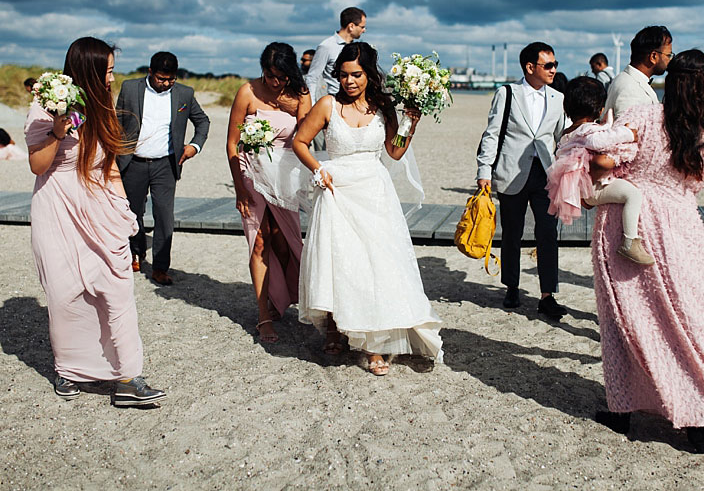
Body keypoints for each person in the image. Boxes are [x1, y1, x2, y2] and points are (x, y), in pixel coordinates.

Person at [590, 49, 704, 452]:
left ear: (669, 81)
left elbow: (603, 162)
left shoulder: (642, 117)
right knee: (696, 324)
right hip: (679, 229)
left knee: (626, 321)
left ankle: (624, 410)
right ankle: (700, 419)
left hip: (627, 225)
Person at [26, 36, 165, 406]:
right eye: (107, 71)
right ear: (88, 70)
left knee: (118, 288)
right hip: (58, 207)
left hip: (100, 205)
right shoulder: (46, 106)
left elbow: (108, 164)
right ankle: (68, 370)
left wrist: (125, 210)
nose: (111, 79)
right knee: (65, 292)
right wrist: (58, 129)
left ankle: (128, 377)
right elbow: (38, 166)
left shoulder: (102, 106)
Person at [292, 41, 443, 376]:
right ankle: (335, 328)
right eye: (344, 75)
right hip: (337, 191)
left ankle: (375, 344)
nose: (349, 81)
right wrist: (318, 169)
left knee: (376, 264)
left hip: (374, 193)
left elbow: (395, 151)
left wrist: (410, 125)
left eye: (356, 74)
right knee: (340, 261)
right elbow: (299, 142)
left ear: (369, 74)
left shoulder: (382, 106)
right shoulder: (327, 105)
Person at [226, 42, 312, 344]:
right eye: (269, 75)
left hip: (284, 176)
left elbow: (305, 137)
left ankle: (287, 297)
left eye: (281, 76)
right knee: (259, 241)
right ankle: (264, 314)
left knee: (286, 241)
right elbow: (232, 143)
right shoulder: (247, 92)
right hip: (251, 174)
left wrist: (295, 110)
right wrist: (239, 187)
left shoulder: (300, 94)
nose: (275, 82)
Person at [475, 42, 568, 316]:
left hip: (546, 174)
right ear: (530, 67)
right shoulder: (507, 93)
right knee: (512, 233)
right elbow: (492, 134)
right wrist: (484, 172)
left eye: (555, 64)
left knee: (548, 233)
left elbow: (563, 136)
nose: (554, 69)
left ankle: (547, 295)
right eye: (548, 65)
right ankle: (512, 287)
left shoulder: (557, 98)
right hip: (511, 173)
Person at [116, 52, 210, 286]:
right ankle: (135, 254)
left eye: (171, 79)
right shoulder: (129, 88)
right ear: (150, 72)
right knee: (132, 214)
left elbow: (203, 121)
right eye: (161, 79)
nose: (166, 83)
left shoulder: (185, 94)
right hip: (133, 162)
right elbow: (116, 123)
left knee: (164, 216)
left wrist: (194, 146)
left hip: (166, 165)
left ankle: (160, 267)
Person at [545, 77, 653, 264]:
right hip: (591, 186)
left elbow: (598, 135)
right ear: (600, 109)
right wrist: (628, 134)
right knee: (633, 195)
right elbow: (597, 141)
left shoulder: (568, 132)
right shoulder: (588, 131)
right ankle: (630, 241)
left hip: (580, 186)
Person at [604, 26, 671, 118]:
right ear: (653, 56)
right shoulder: (630, 88)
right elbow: (627, 129)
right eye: (668, 55)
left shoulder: (629, 80)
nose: (670, 60)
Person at [304, 7, 367, 100]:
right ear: (351, 26)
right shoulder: (326, 46)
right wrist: (312, 105)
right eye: (362, 27)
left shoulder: (356, 47)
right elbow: (312, 78)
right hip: (335, 100)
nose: (364, 30)